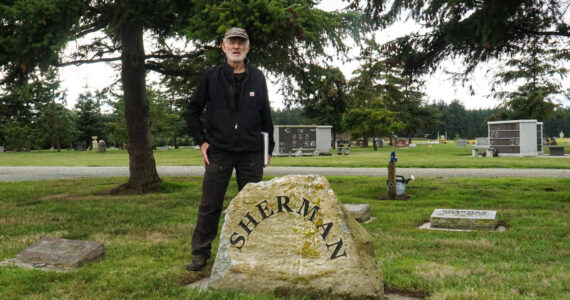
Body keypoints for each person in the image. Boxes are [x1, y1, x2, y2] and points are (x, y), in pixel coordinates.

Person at [185, 27, 275, 271]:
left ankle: (251, 251)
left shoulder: (258, 77)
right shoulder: (211, 76)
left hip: (251, 152)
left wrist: (269, 147)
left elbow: (265, 114)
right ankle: (200, 253)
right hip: (220, 151)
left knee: (254, 206)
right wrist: (202, 141)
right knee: (210, 204)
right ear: (223, 47)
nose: (236, 47)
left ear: (247, 48)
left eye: (241, 43)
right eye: (231, 43)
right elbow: (192, 111)